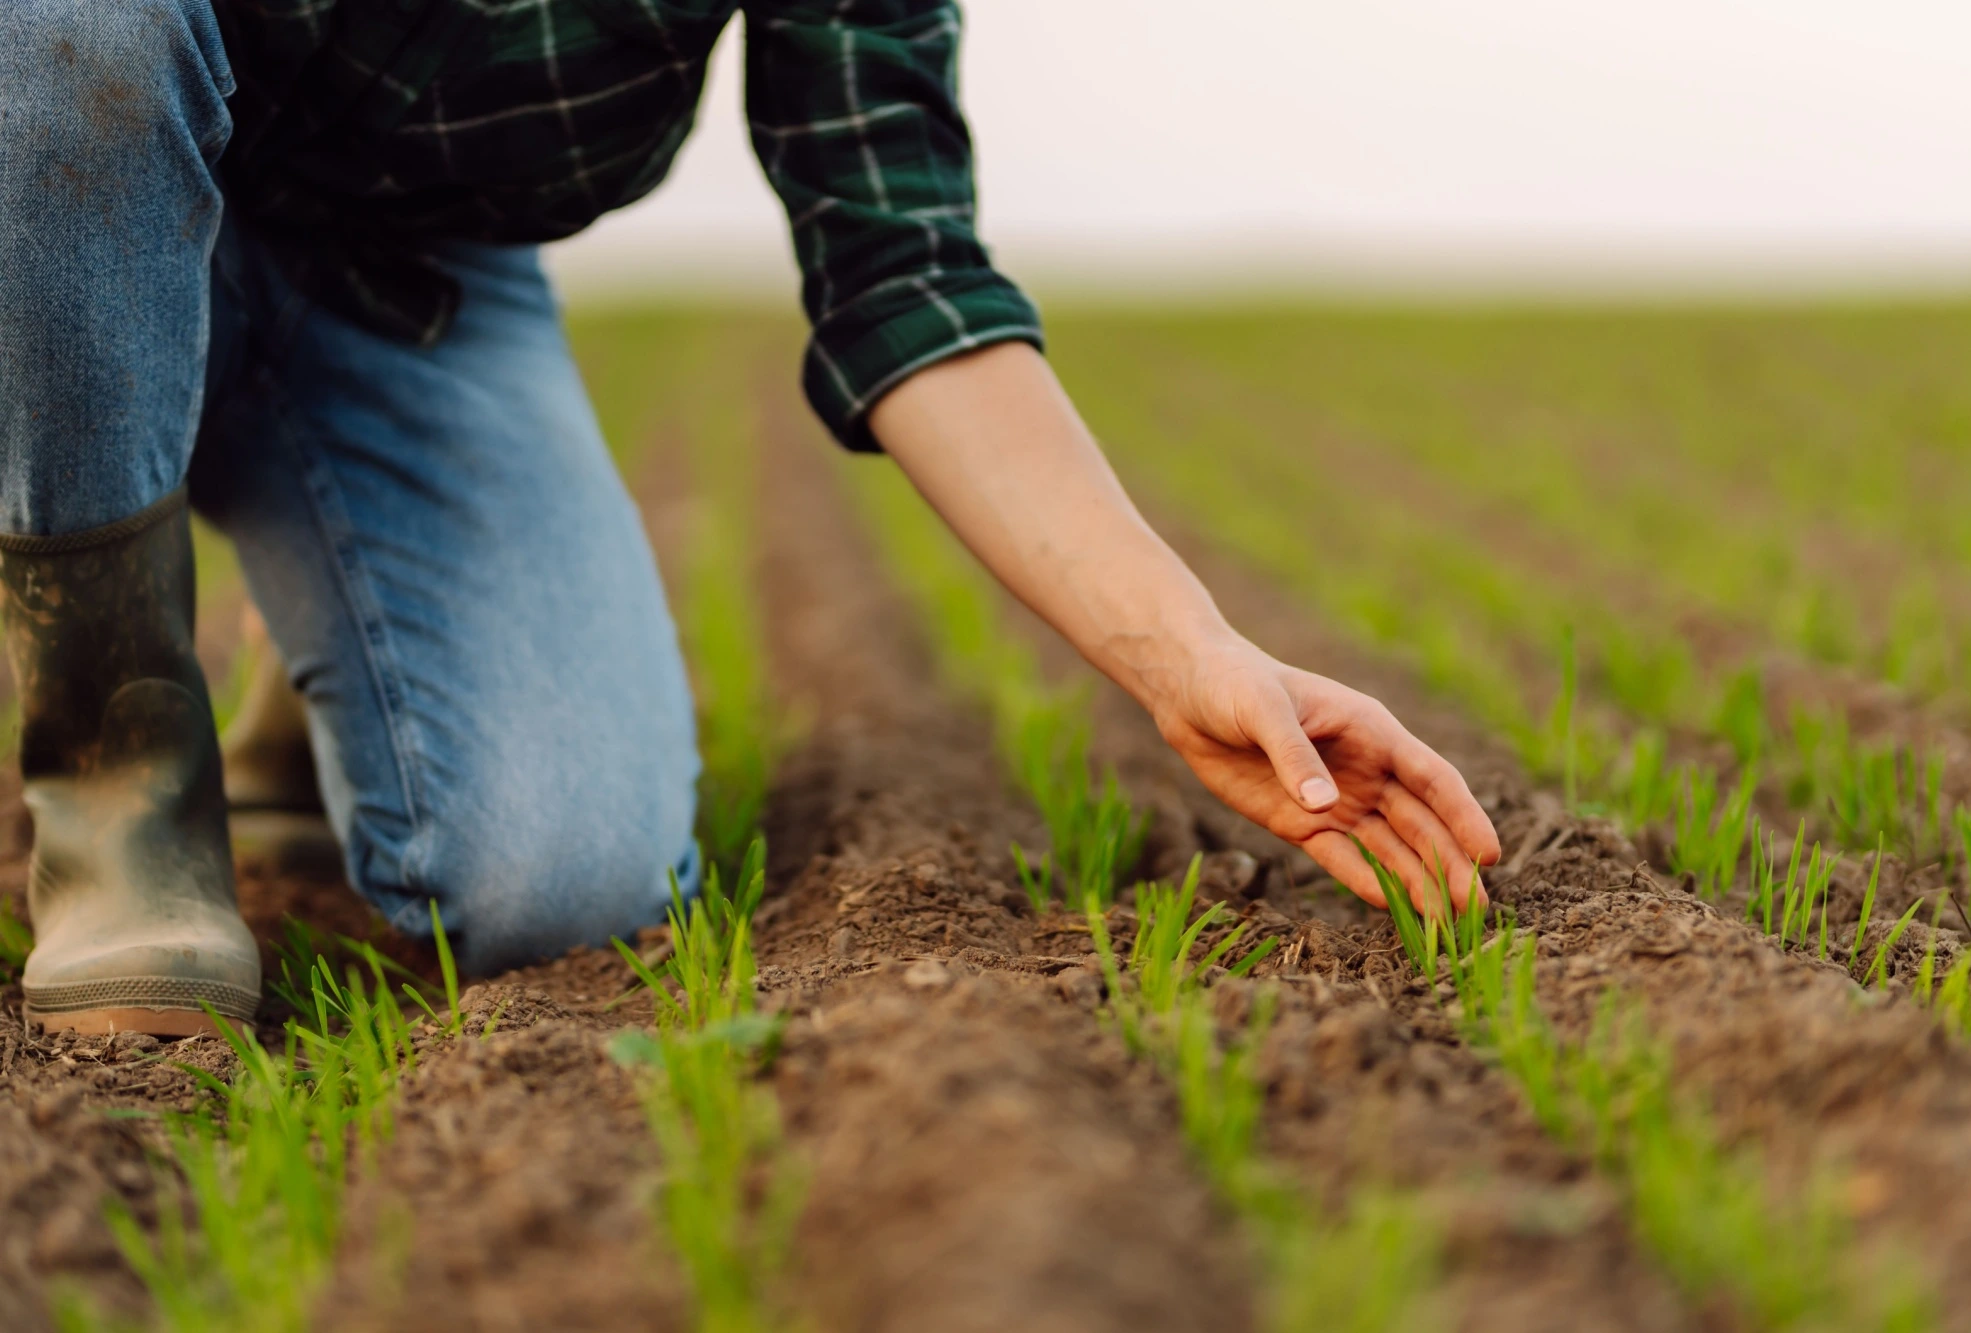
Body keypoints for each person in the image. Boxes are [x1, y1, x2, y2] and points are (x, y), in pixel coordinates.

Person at [0, 0, 1500, 1038]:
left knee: (564, 882)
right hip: (64, 185)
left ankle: (320, 648)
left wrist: (1190, 655)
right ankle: (117, 796)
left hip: (410, 288)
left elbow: (902, 266)